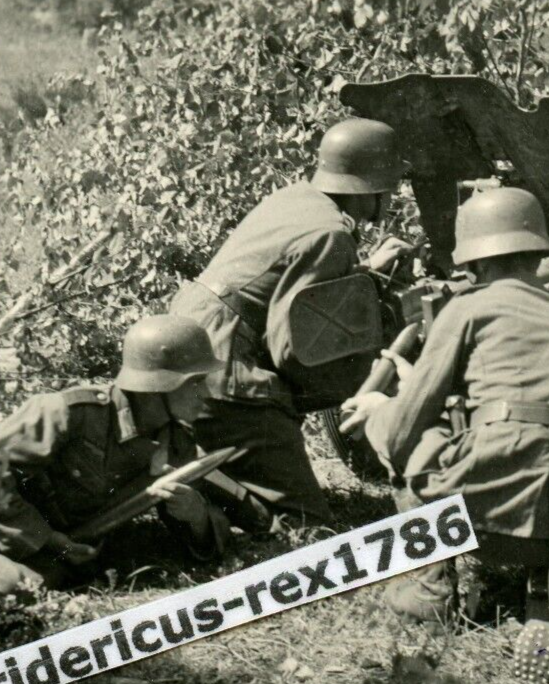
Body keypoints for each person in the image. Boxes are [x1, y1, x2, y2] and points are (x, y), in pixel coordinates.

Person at [341, 187, 549, 622]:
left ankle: (430, 590)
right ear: (538, 251)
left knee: (412, 437)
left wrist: (376, 409)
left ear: (474, 259)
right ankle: (546, 577)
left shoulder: (467, 310)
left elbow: (404, 429)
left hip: (482, 526)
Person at [168, 117, 414, 524]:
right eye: (389, 190)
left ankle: (207, 465)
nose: (389, 201)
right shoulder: (330, 235)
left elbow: (276, 287)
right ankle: (200, 487)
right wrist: (364, 368)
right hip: (229, 374)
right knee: (303, 522)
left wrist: (364, 274)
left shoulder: (296, 199)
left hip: (191, 343)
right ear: (372, 190)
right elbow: (293, 353)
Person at [0, 315, 270, 592]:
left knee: (13, 588)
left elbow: (210, 539)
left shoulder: (175, 445)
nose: (206, 395)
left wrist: (196, 516)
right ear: (160, 384)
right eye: (196, 382)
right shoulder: (68, 413)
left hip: (53, 552)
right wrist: (49, 540)